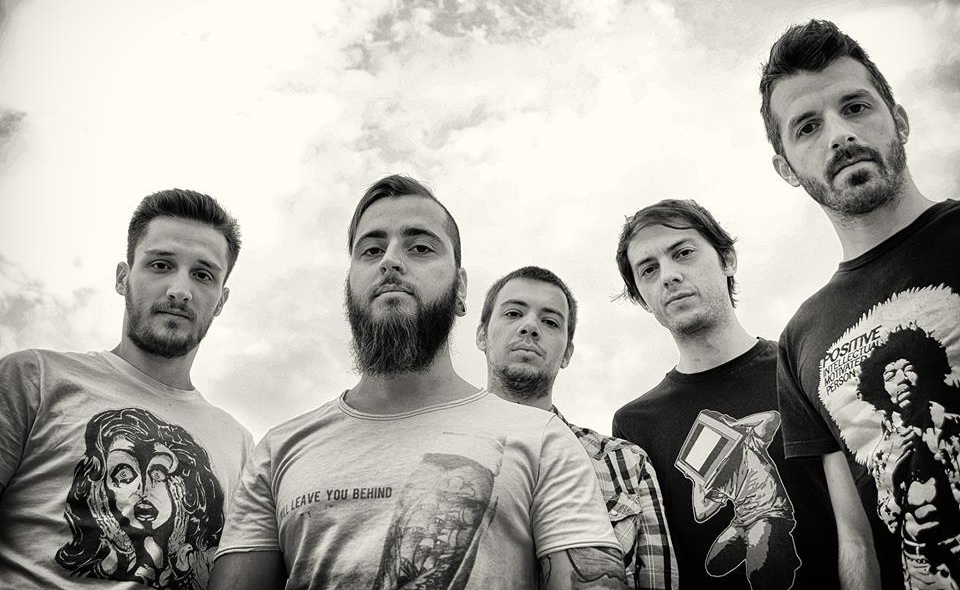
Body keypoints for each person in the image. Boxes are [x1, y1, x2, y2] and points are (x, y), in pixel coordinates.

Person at [210, 175, 625, 590]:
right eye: (371, 250)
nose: (390, 261)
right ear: (350, 282)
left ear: (460, 288)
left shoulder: (543, 439)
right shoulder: (280, 449)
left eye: (420, 247)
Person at [761, 19, 960, 589]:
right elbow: (856, 537)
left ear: (899, 120)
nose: (840, 135)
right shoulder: (801, 338)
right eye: (808, 126)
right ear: (786, 169)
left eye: (855, 107)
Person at [0, 189, 254, 590]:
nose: (180, 290)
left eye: (203, 274)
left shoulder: (240, 445)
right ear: (123, 277)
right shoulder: (35, 377)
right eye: (160, 265)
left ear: (221, 301)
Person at [611, 199, 840, 590]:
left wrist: (740, 435)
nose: (669, 276)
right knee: (718, 563)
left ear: (728, 260)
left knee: (767, 567)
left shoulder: (803, 368)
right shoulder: (634, 425)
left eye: (683, 253)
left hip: (775, 516)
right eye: (649, 269)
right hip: (737, 512)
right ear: (642, 298)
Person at [477, 265, 678, 589]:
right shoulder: (434, 449)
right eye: (513, 313)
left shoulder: (626, 464)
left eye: (550, 322)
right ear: (481, 335)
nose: (530, 327)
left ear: (567, 353)